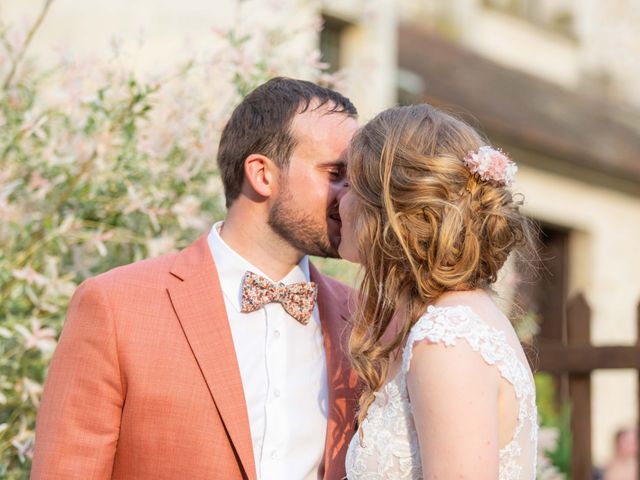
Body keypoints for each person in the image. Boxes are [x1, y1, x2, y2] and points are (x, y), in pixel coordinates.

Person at [31, 77, 360, 480]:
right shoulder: (114, 307)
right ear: (262, 175)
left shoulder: (365, 321)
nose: (353, 195)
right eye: (337, 173)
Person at [339, 104, 538, 478]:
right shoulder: (459, 317)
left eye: (349, 184)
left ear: (389, 211)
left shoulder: (447, 339)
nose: (339, 202)